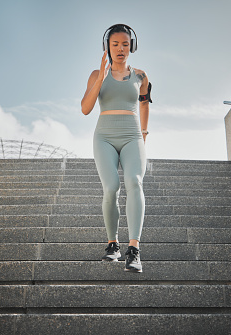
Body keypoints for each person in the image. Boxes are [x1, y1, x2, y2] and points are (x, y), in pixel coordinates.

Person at [81, 24, 152, 273]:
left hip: (132, 136)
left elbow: (144, 104)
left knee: (135, 182)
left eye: (125, 44)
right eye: (115, 44)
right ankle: (113, 244)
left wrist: (143, 133)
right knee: (111, 187)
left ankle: (134, 250)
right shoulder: (95, 74)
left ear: (132, 46)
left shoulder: (141, 76)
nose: (120, 49)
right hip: (105, 137)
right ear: (107, 47)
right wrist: (101, 77)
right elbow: (85, 108)